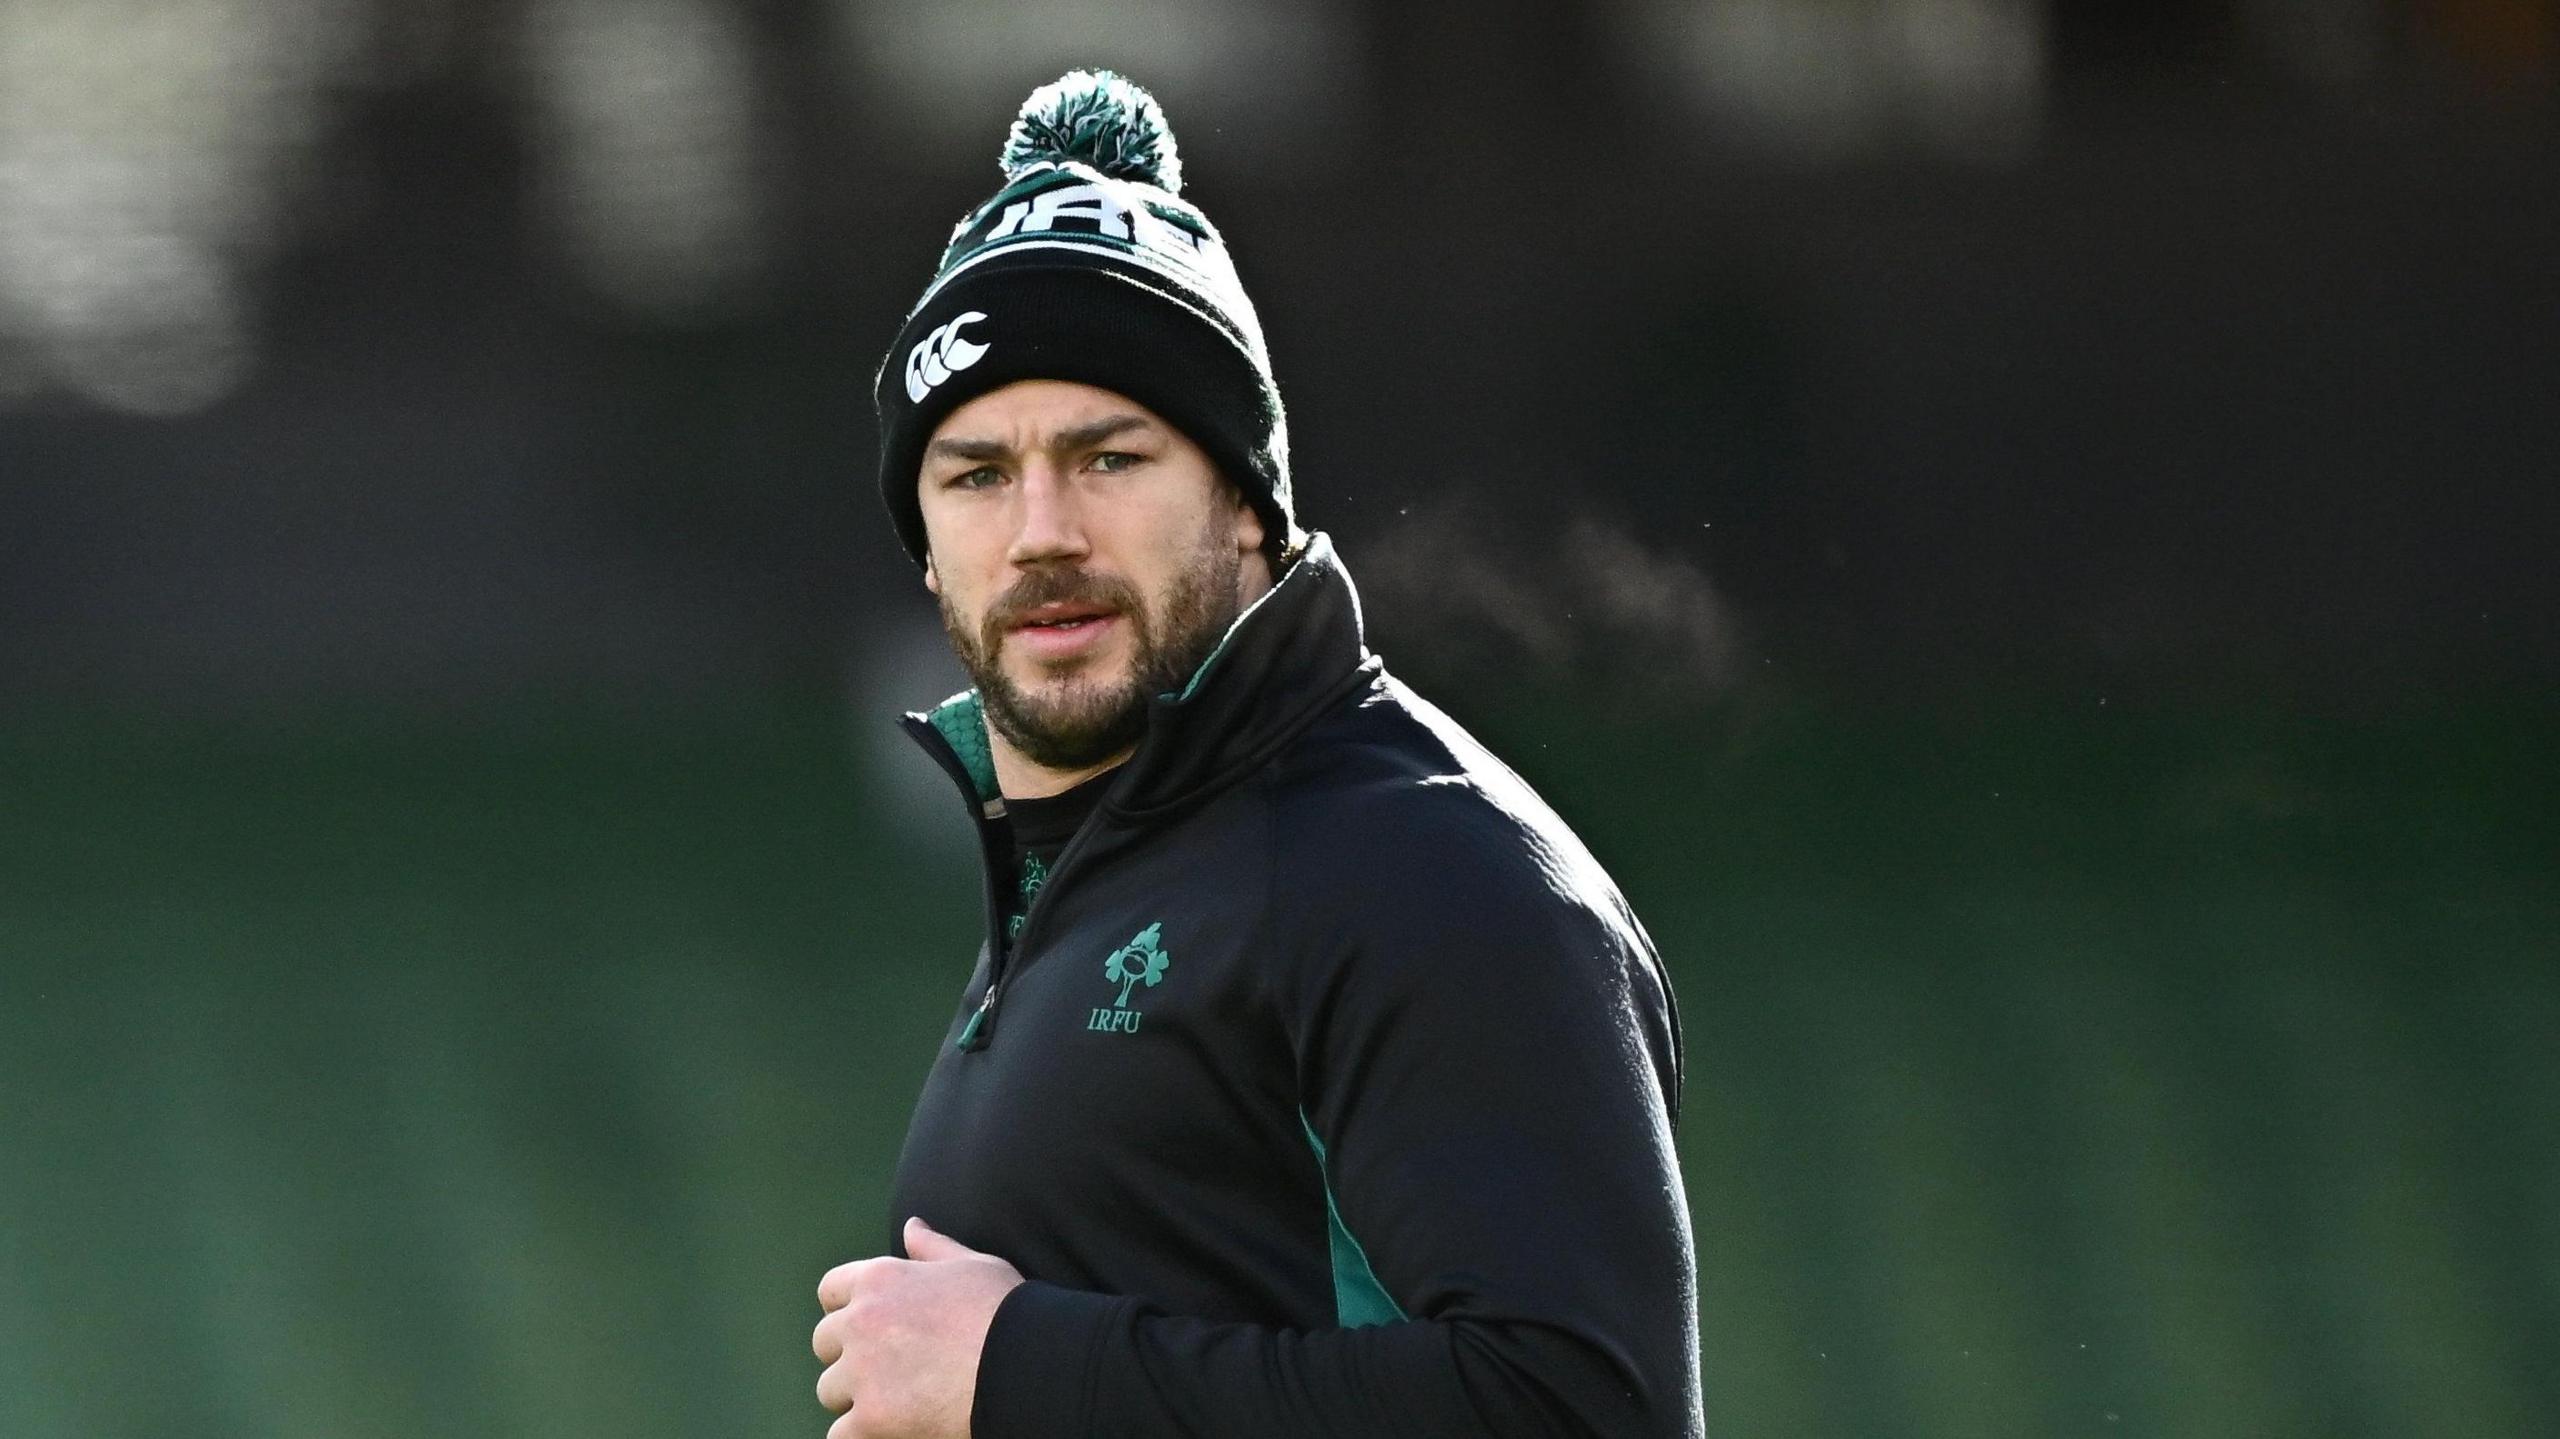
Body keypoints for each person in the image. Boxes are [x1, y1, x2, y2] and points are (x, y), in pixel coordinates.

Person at [812, 70, 1705, 1439]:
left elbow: (1581, 1409)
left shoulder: (1419, 861)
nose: (1041, 527)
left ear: (1245, 502)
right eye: (978, 474)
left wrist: (1025, 1371)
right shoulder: (1099, 864)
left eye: (1110, 457)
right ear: (926, 552)